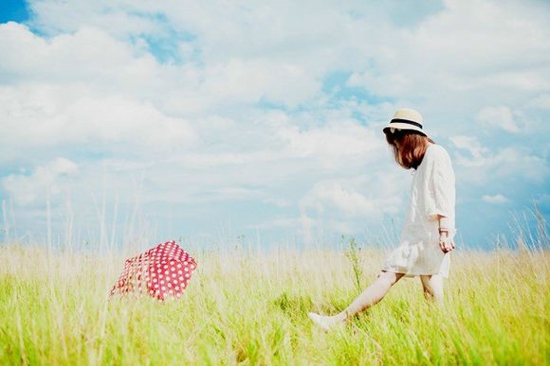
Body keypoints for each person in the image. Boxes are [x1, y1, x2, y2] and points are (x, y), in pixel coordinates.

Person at [308, 108, 456, 331]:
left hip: (430, 235)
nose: (396, 145)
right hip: (421, 235)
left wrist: (444, 232)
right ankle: (445, 333)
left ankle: (338, 322)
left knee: (390, 276)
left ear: (410, 136)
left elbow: (444, 193)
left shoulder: (436, 154)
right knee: (430, 286)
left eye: (398, 140)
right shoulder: (425, 160)